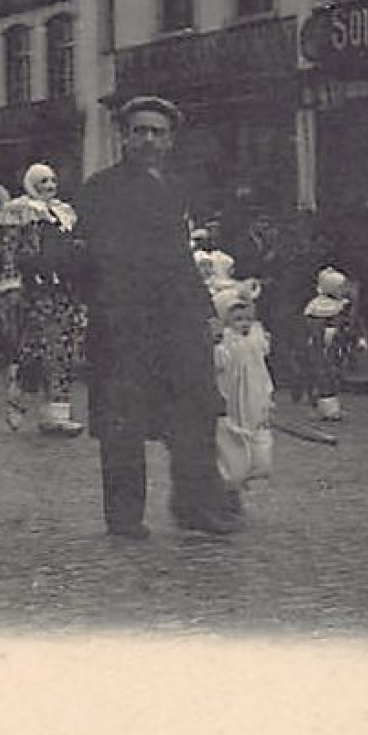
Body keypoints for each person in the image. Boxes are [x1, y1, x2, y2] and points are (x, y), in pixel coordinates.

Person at [74, 95, 238, 539]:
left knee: (194, 413)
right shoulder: (100, 189)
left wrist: (205, 312)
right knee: (123, 422)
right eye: (139, 131)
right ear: (124, 137)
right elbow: (89, 257)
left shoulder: (177, 187)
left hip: (178, 319)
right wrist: (110, 308)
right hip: (124, 322)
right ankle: (125, 517)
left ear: (170, 141)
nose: (148, 139)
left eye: (157, 132)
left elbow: (182, 256)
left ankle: (193, 505)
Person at [0, 163, 88, 436]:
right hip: (33, 290)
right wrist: (11, 285)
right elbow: (7, 250)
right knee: (36, 349)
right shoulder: (17, 210)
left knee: (62, 350)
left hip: (62, 289)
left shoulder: (63, 212)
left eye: (52, 180)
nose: (49, 186)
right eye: (43, 181)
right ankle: (20, 398)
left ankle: (55, 414)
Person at [210, 285, 274, 492]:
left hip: (255, 395)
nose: (244, 324)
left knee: (260, 441)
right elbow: (219, 363)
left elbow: (262, 359)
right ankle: (230, 480)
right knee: (233, 443)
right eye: (237, 319)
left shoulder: (255, 337)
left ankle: (253, 469)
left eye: (247, 319)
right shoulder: (225, 342)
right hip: (233, 398)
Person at [303, 266, 359, 422]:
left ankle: (330, 404)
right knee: (322, 373)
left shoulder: (344, 305)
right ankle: (325, 407)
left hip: (337, 344)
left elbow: (348, 324)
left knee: (335, 373)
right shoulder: (316, 307)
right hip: (321, 344)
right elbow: (313, 326)